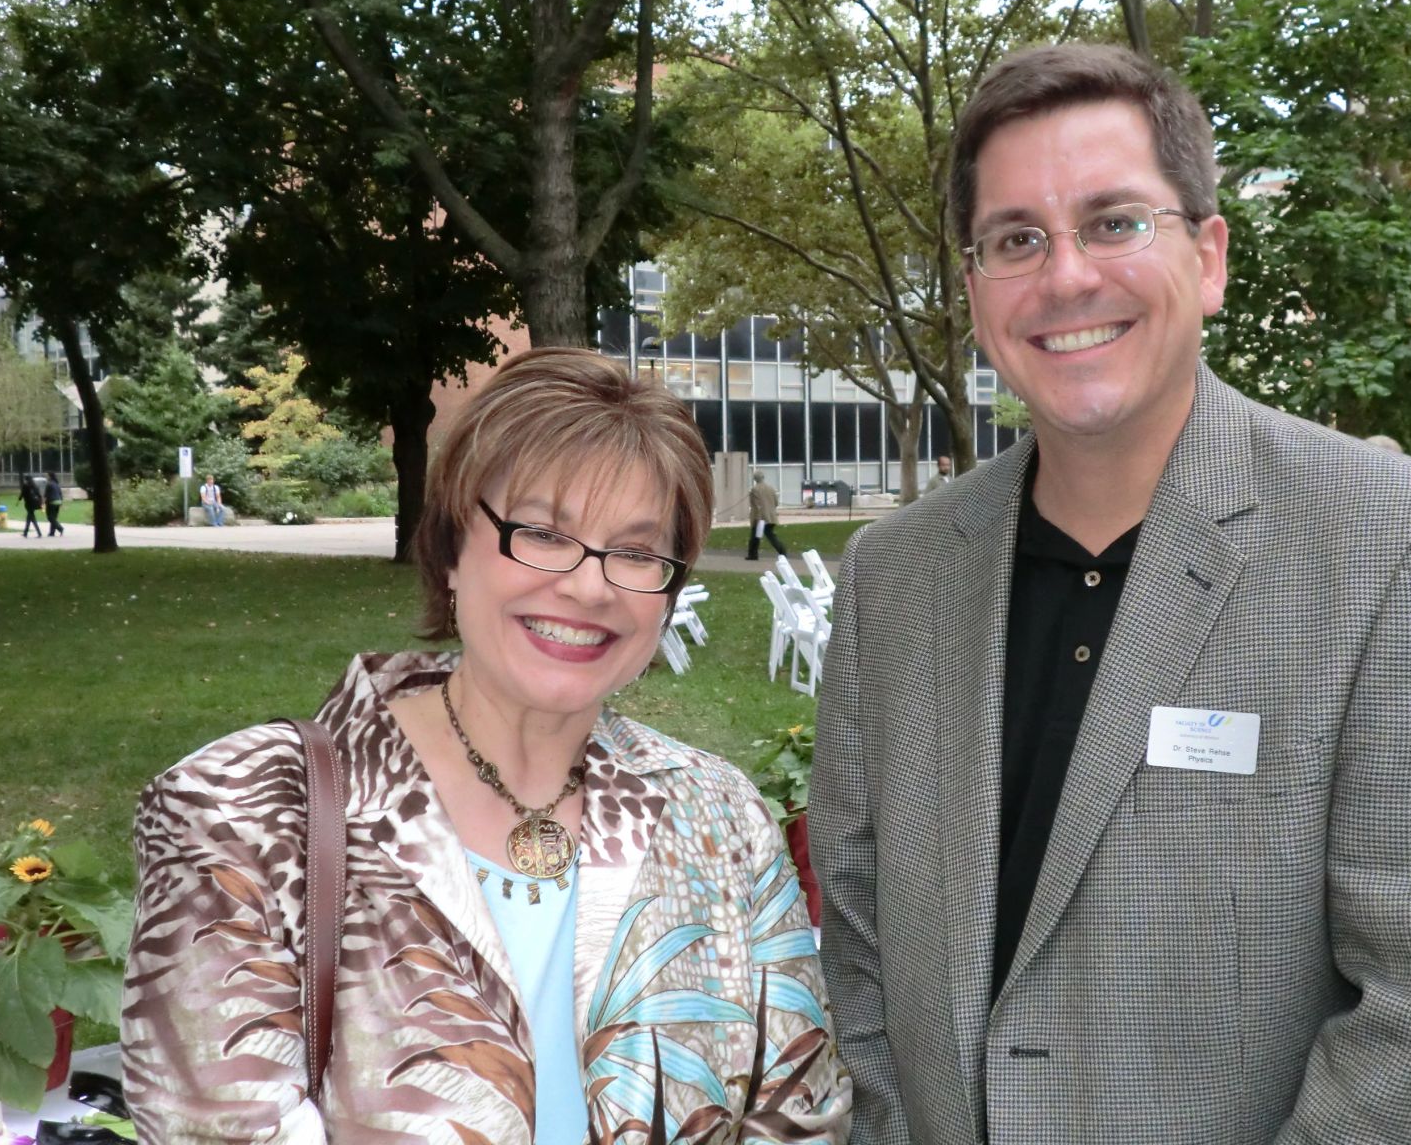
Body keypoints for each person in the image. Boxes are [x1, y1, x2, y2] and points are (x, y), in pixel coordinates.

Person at [810, 43, 1411, 1145]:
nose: (1065, 277)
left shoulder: (1408, 552)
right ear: (973, 293)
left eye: (1114, 222)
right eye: (1017, 240)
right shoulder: (894, 577)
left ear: (1208, 256)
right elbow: (861, 949)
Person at [123, 349, 851, 1142]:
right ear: (449, 549)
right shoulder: (242, 816)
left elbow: (799, 1115)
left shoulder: (721, 815)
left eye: (637, 551)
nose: (589, 587)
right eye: (540, 532)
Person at [746, 469, 789, 561]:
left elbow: (756, 505)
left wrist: (756, 519)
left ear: (755, 479)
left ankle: (753, 554)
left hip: (760, 518)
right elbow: (776, 502)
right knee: (770, 535)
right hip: (771, 517)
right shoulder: (771, 488)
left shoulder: (755, 489)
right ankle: (782, 551)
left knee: (755, 537)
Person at [18, 474, 43, 538]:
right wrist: (41, 502)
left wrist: (19, 499)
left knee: (32, 518)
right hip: (35, 504)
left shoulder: (26, 485)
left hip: (29, 504)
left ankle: (39, 533)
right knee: (29, 518)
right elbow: (39, 495)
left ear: (26, 479)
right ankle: (25, 533)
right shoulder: (35, 486)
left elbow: (22, 494)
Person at [43, 471, 63, 536]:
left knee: (50, 517)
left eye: (47, 475)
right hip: (58, 501)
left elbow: (46, 495)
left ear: (49, 476)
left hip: (51, 502)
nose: (46, 477)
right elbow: (60, 493)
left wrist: (43, 502)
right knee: (54, 517)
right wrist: (61, 503)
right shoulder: (56, 484)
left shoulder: (49, 484)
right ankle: (52, 532)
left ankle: (60, 528)